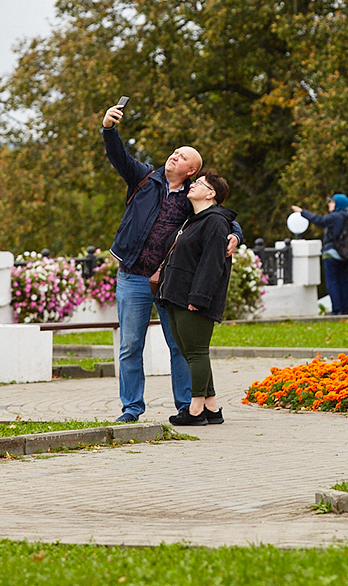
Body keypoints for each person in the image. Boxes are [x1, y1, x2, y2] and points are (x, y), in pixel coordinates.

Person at [102, 102, 243, 423]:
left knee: (179, 345)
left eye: (182, 157)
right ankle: (131, 409)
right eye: (174, 153)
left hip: (169, 282)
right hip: (132, 276)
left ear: (191, 171)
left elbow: (220, 216)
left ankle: (187, 406)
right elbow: (117, 154)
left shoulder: (193, 195)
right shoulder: (143, 177)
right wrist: (109, 128)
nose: (174, 157)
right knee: (130, 346)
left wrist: (236, 234)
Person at [157, 172, 236, 426]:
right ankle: (212, 408)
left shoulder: (216, 222)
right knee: (189, 351)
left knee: (196, 353)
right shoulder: (193, 220)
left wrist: (199, 297)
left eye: (200, 183)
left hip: (193, 298)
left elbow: (212, 264)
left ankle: (195, 410)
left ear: (211, 194)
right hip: (176, 295)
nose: (193, 185)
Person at [290, 193, 348, 315]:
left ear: (337, 204)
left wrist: (302, 212)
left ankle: (336, 309)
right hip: (345, 254)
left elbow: (319, 220)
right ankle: (344, 309)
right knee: (343, 281)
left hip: (332, 253)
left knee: (332, 282)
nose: (329, 204)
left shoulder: (335, 217)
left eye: (332, 202)